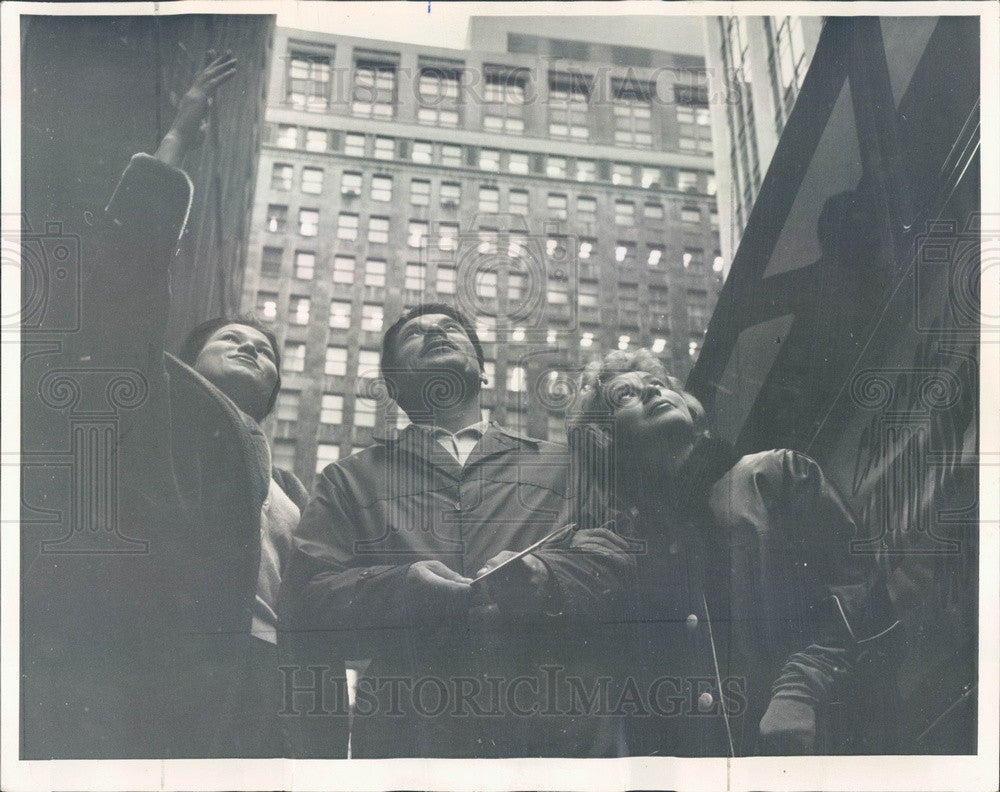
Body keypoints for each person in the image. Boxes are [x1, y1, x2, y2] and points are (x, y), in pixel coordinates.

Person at [22, 53, 307, 759]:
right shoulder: (153, 396)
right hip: (155, 657)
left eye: (265, 351)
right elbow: (126, 280)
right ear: (185, 359)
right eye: (231, 338)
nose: (251, 349)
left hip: (261, 680)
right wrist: (175, 146)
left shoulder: (290, 490)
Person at [280, 303, 635, 758]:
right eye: (415, 335)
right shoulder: (347, 479)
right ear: (392, 386)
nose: (436, 334)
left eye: (451, 329)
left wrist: (548, 579)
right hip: (408, 741)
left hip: (556, 737)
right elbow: (306, 597)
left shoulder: (568, 464)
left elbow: (622, 565)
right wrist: (400, 589)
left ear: (483, 373)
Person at [567, 348, 902, 756]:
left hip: (825, 742)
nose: (653, 390)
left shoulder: (774, 474)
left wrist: (801, 688)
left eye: (658, 384)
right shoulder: (636, 554)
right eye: (625, 395)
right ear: (607, 441)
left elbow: (860, 585)